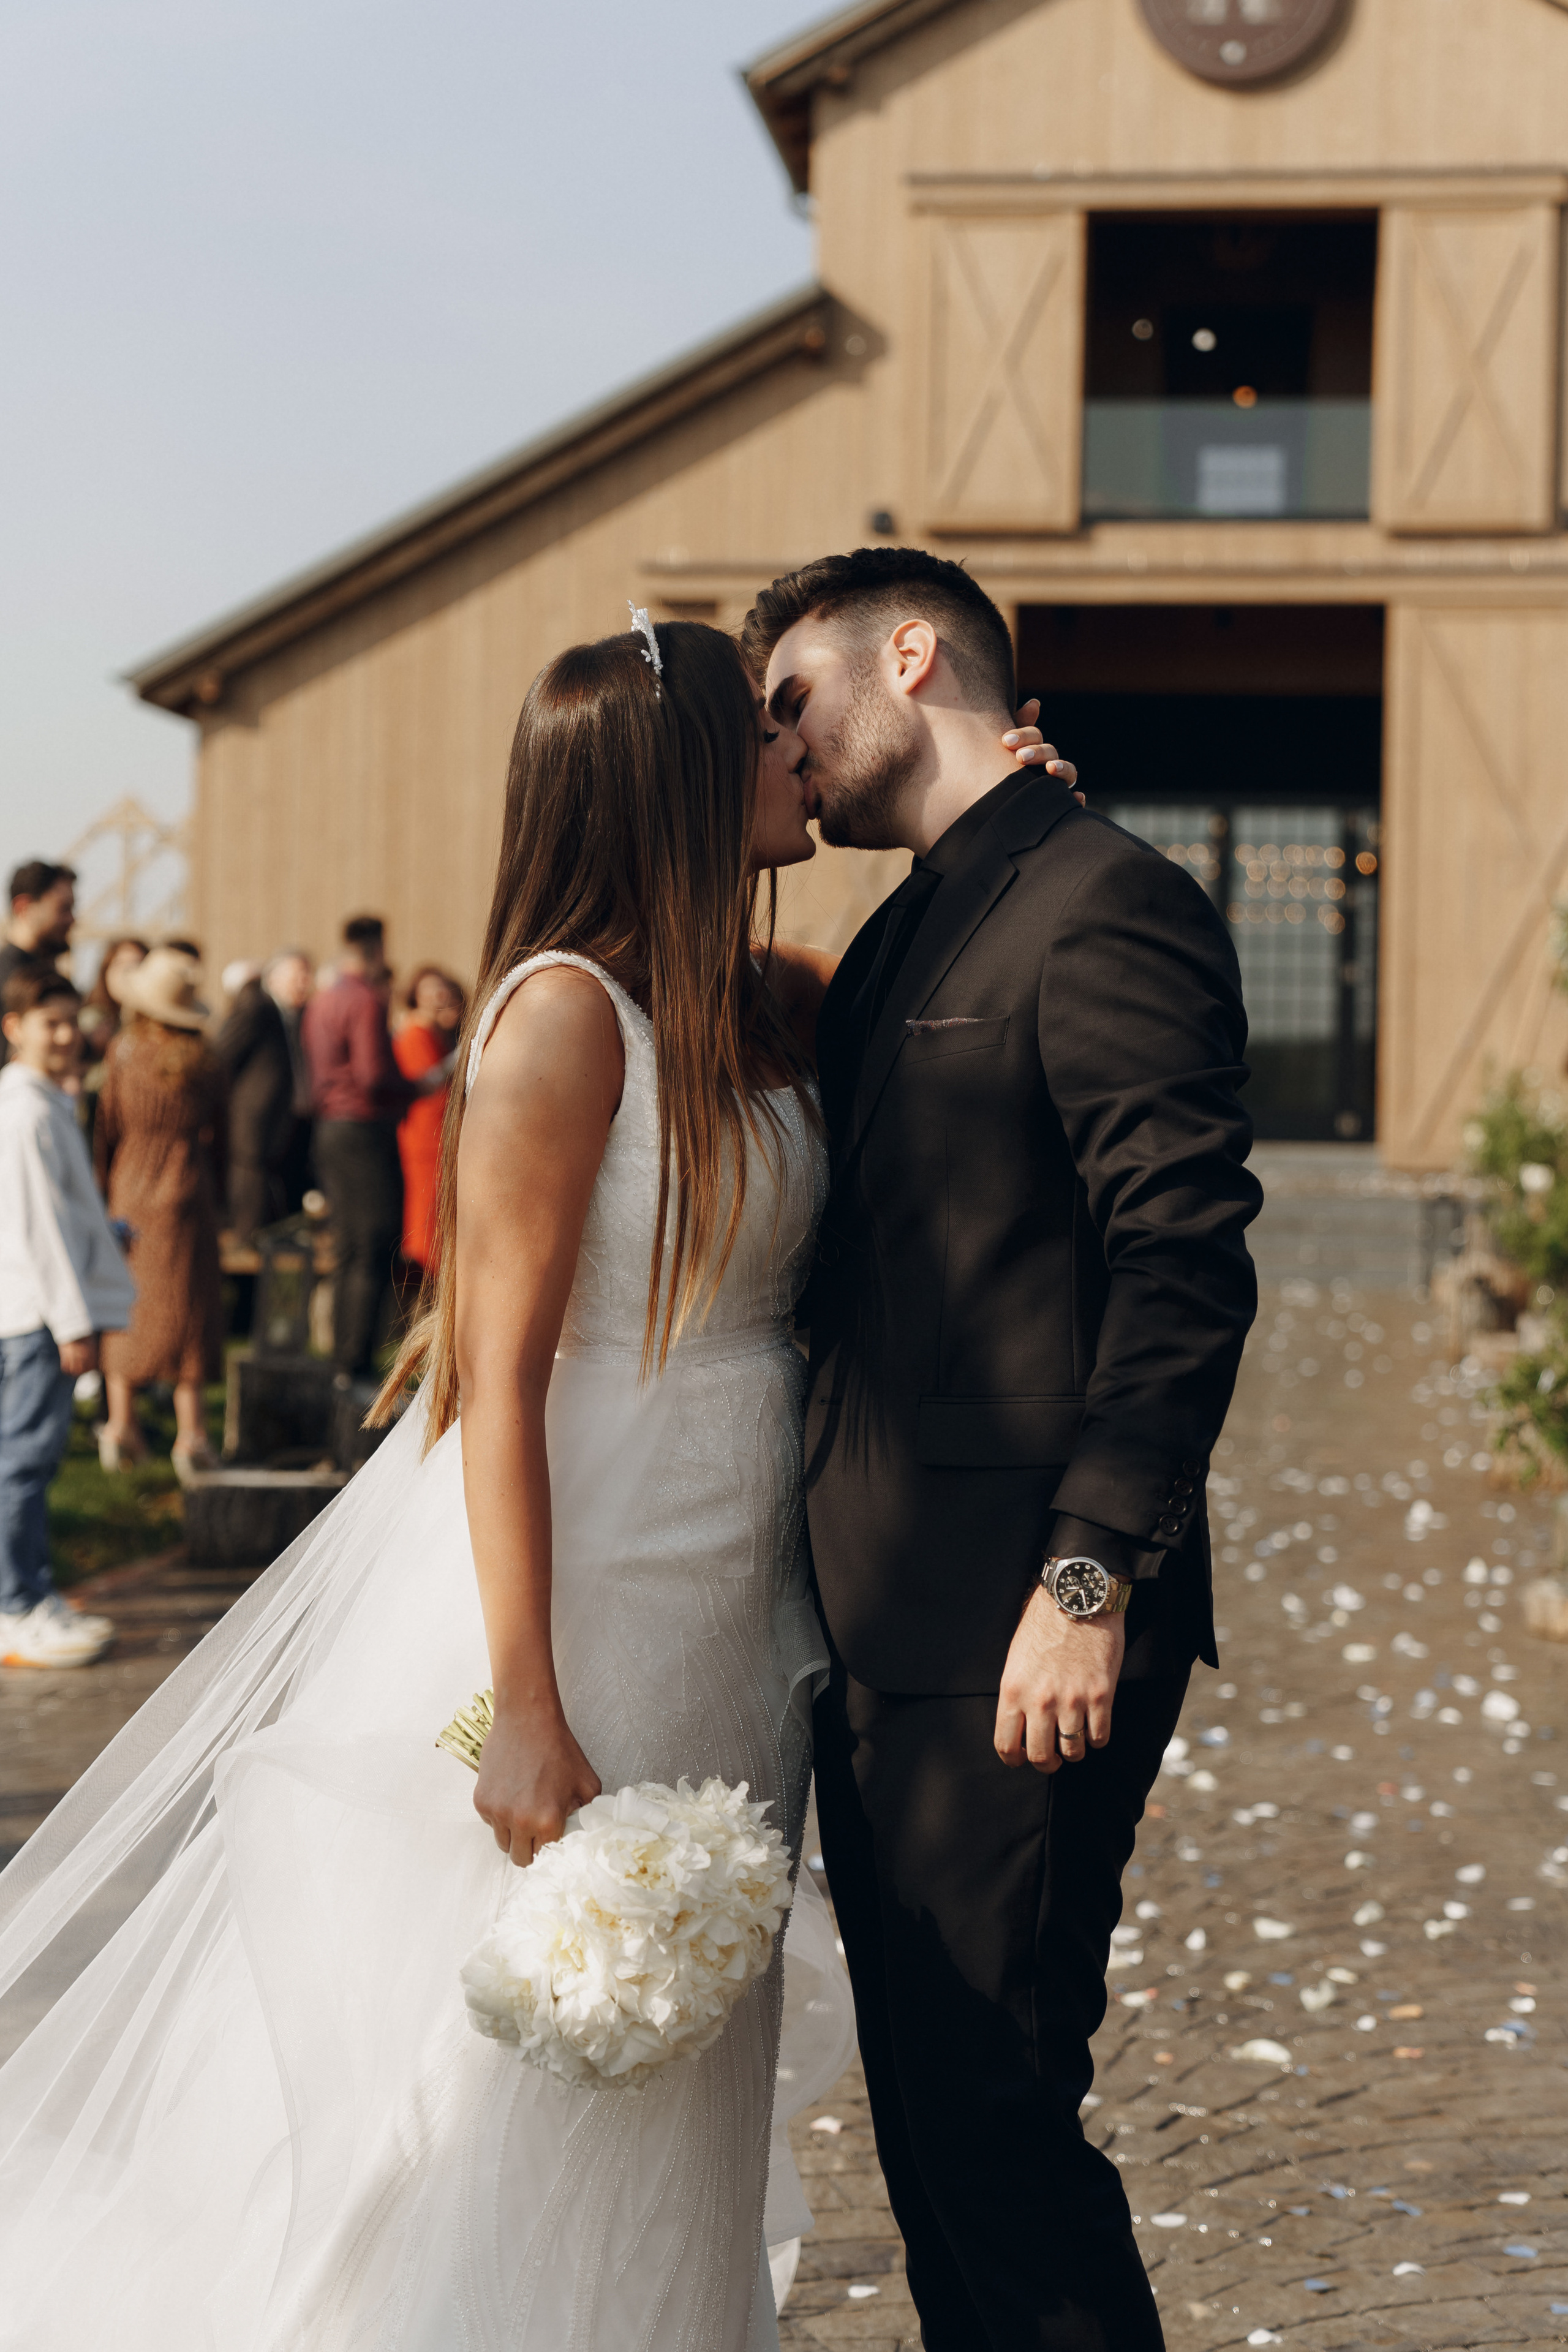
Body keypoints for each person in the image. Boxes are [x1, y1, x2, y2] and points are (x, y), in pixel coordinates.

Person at [0, 614, 1057, 2348]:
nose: (797, 749)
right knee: (524, 2039)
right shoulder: (565, 1021)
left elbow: (947, 1010)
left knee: (679, 2021)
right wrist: (525, 1703)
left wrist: (1014, 826)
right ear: (678, 776)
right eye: (764, 729)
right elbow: (493, 1375)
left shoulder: (767, 1005)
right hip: (590, 1580)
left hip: (737, 1596)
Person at [741, 546, 1261, 2352]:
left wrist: (1088, 1569)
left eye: (790, 699)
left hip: (1023, 1616)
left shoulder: (1104, 899)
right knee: (932, 2120)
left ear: (908, 653)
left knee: (992, 2107)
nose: (781, 746)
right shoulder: (902, 930)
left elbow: (1180, 1262)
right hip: (884, 1619)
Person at [0, 961, 134, 1668]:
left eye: (70, 1023)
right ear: (13, 1027)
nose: (64, 1036)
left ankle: (31, 1592)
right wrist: (71, 1320)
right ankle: (15, 1606)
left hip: (40, 1310)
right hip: (37, 1315)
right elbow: (37, 1229)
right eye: (48, 1024)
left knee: (31, 1459)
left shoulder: (45, 1102)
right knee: (24, 1462)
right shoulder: (26, 1111)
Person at [94, 947, 227, 1480]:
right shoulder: (205, 1060)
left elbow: (106, 1125)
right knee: (189, 1307)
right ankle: (191, 1435)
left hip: (130, 1186)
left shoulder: (123, 1052)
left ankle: (119, 1424)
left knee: (126, 1302)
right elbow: (223, 1133)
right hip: (188, 1187)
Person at [303, 916, 442, 1378]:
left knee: (349, 1247)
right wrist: (418, 1087)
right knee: (374, 1246)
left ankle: (343, 1359)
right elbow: (373, 1077)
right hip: (362, 1130)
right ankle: (356, 1361)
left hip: (330, 1129)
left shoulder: (324, 998)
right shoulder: (364, 999)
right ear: (376, 949)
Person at [214, 964, 296, 1245]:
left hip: (253, 1109)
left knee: (247, 1169)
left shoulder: (251, 1003)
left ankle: (247, 1238)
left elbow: (223, 1052)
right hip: (265, 1106)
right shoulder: (264, 1004)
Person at [392, 964, 466, 1272]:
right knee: (426, 1217)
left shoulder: (435, 1034)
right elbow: (428, 1084)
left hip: (438, 1137)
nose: (440, 998)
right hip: (426, 1138)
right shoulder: (415, 1033)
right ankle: (424, 1281)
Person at [0, 862, 77, 1071]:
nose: (72, 919)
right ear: (23, 907)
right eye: (63, 909)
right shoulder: (12, 977)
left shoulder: (41, 971)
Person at [261, 948, 316, 1212]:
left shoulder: (310, 1016)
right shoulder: (260, 1015)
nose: (304, 984)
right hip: (271, 1122)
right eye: (297, 977)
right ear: (273, 980)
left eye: (307, 976)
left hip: (306, 1117)